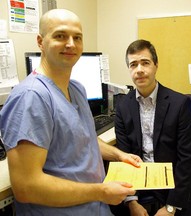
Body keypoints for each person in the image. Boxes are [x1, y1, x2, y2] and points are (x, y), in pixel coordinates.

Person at [0, 9, 142, 216]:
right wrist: (101, 191)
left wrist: (119, 155)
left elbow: (84, 139)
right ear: (40, 41)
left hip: (95, 207)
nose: (71, 44)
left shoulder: (76, 88)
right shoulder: (31, 97)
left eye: (77, 37)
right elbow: (26, 187)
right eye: (60, 36)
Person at [112, 39, 191, 216]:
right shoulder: (123, 106)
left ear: (156, 65)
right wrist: (131, 202)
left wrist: (171, 207)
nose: (139, 70)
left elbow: (186, 160)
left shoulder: (179, 104)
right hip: (138, 182)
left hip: (171, 184)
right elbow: (124, 156)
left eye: (145, 63)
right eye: (133, 64)